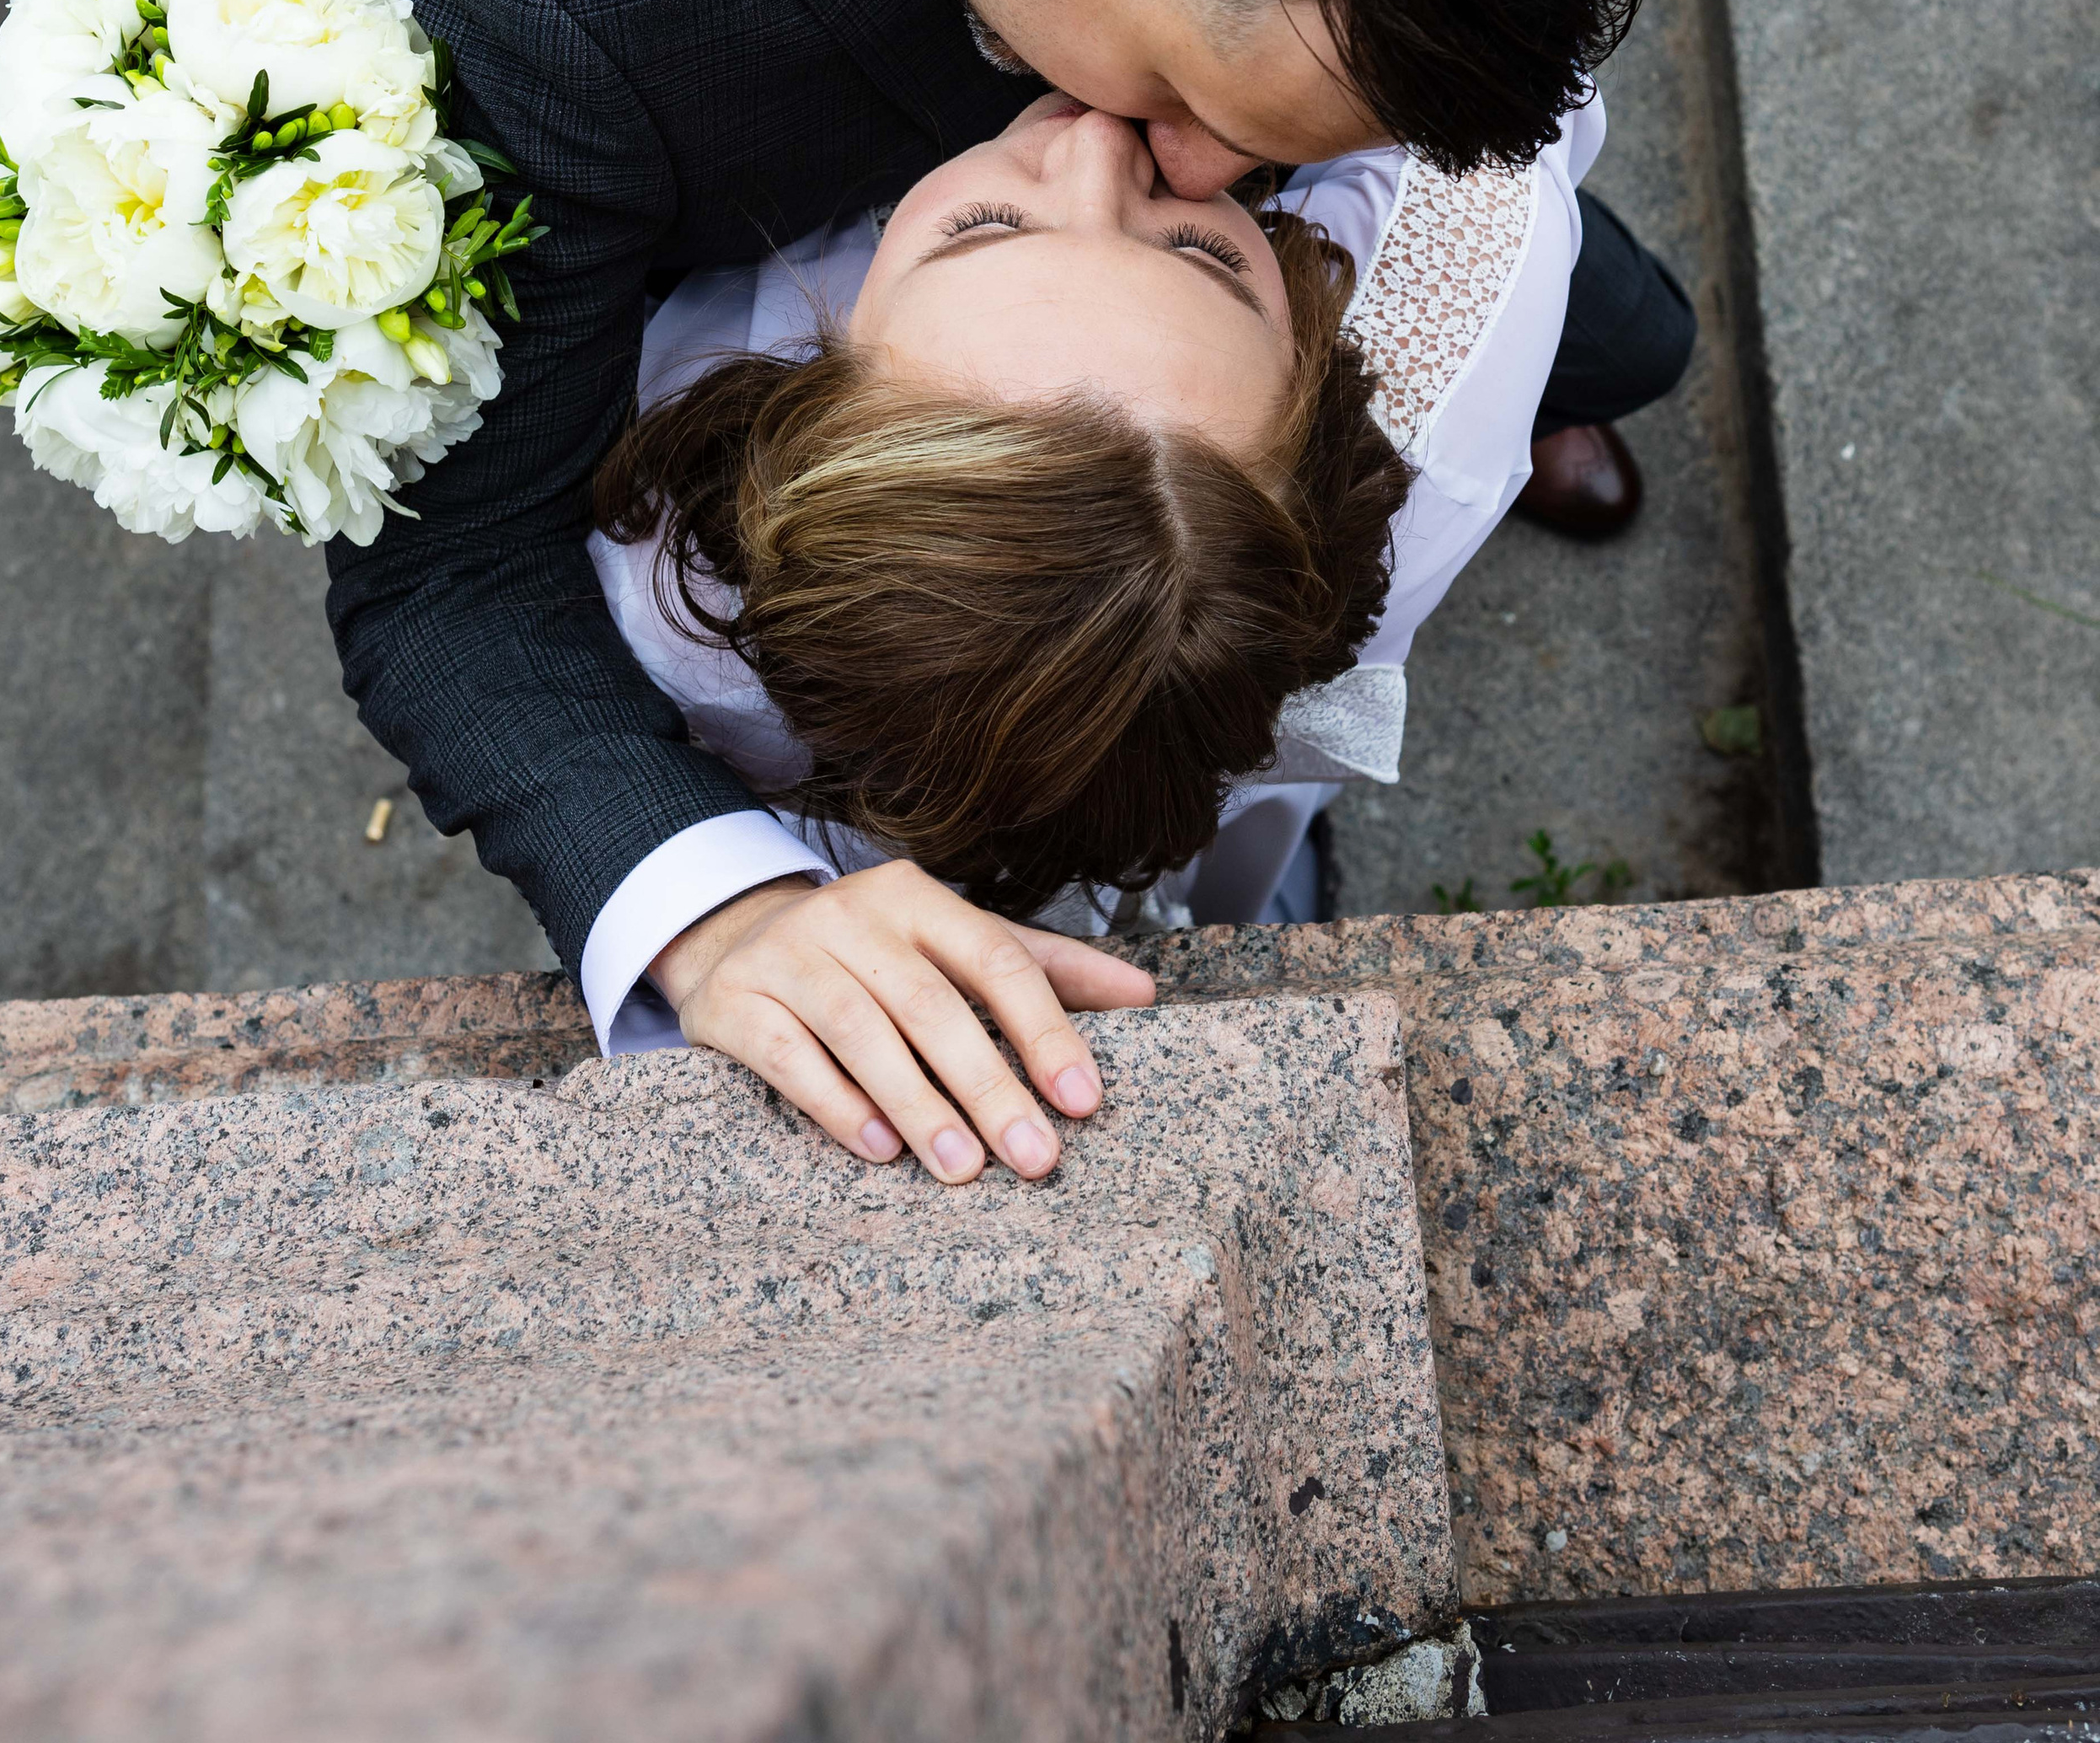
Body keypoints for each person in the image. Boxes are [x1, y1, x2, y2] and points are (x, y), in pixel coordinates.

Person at [334, 0, 1695, 1184]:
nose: (1212, 174)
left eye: (1290, 150)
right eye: (1191, 95)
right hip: (993, 422)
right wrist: (718, 914)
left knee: (1568, 298)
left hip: (1239, 360)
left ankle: (1587, 362)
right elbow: (447, 559)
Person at [581, 86, 1604, 1183]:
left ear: (809, 400)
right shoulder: (1463, 322)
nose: (1099, 149)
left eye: (981, 231)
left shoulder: (659, 578)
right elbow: (1508, 80)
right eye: (1209, 256)